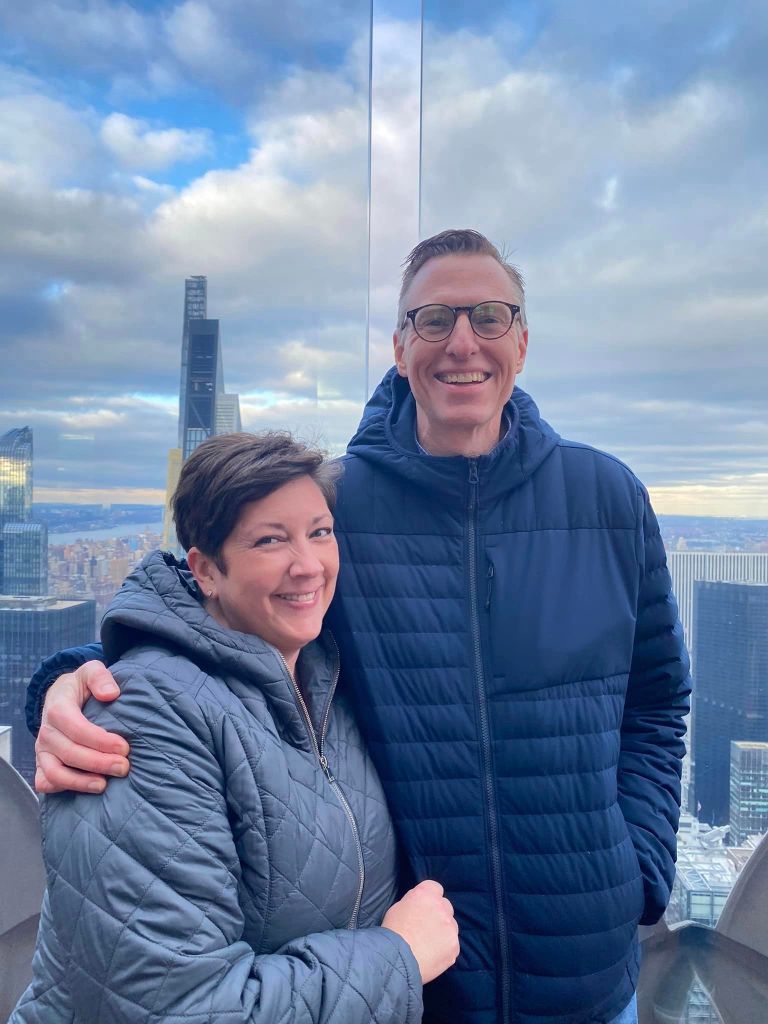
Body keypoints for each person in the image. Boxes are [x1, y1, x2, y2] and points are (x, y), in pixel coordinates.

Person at [28, 229, 690, 1024]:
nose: (462, 343)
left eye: (489, 315)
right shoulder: (340, 509)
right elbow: (221, 620)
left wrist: (640, 868)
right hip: (418, 980)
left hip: (591, 977)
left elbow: (657, 700)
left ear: (522, 338)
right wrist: (74, 681)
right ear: (400, 346)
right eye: (434, 319)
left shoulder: (608, 500)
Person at [12, 431, 460, 1024]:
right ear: (205, 570)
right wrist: (399, 957)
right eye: (270, 540)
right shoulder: (141, 722)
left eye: (320, 532)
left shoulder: (334, 678)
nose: (307, 565)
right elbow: (179, 1008)